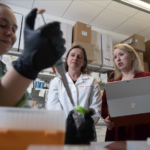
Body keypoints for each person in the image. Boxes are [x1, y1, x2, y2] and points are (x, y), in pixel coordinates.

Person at [0, 3, 65, 106]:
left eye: (14, 30)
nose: (10, 33)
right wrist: (26, 64)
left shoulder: (2, 69)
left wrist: (66, 122)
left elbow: (27, 109)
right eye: (2, 24)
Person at [102, 43, 150, 141]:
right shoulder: (112, 83)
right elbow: (104, 107)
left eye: (121, 54)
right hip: (118, 130)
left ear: (132, 57)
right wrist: (110, 116)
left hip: (141, 130)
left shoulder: (146, 77)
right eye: (115, 57)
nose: (118, 59)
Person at [47, 45, 102, 124]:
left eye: (79, 57)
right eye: (72, 55)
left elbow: (96, 108)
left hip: (85, 131)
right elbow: (53, 107)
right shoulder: (57, 81)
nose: (75, 58)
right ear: (67, 59)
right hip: (63, 128)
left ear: (84, 62)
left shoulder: (92, 81)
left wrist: (85, 124)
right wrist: (67, 124)